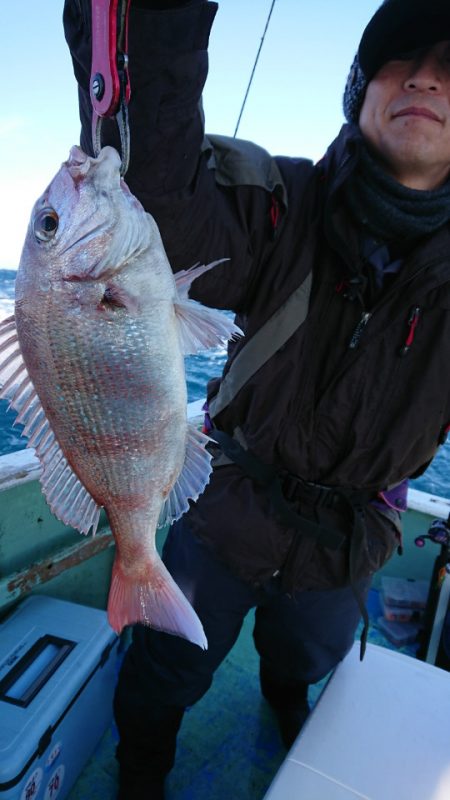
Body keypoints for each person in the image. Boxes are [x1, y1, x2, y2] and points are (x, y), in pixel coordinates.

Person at [63, 0, 450, 797]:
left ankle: (286, 695)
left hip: (352, 533)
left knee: (304, 656)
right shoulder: (276, 201)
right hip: (227, 496)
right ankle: (141, 774)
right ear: (359, 87)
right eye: (398, 59)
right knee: (164, 669)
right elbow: (156, 199)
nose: (423, 79)